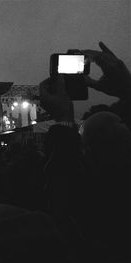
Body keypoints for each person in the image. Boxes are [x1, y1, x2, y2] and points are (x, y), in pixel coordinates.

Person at [39, 41, 131, 261]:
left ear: (88, 153)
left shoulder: (90, 216)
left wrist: (63, 120)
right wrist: (126, 89)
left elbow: (61, 202)